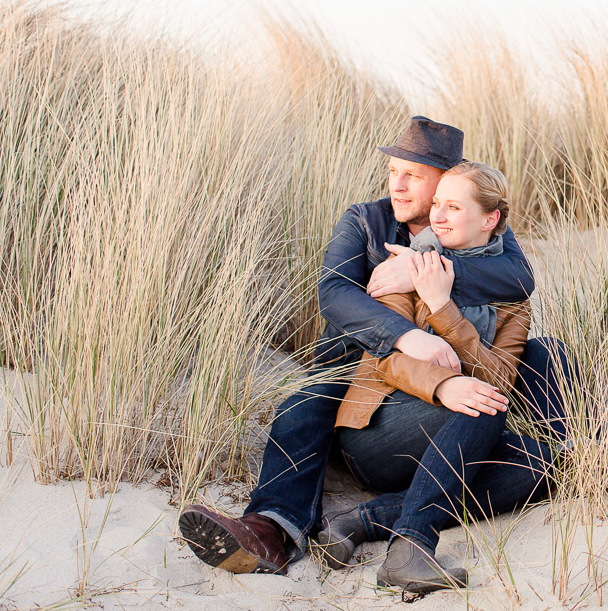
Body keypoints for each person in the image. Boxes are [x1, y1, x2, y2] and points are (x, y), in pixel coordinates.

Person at [178, 116, 576, 576]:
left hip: (456, 370)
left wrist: (425, 274)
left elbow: (518, 280)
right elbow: (334, 294)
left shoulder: (478, 232)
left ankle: (573, 457)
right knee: (304, 406)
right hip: (357, 363)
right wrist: (411, 337)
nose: (399, 187)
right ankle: (269, 528)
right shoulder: (367, 221)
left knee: (546, 360)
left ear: (448, 179)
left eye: (415, 176)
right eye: (394, 172)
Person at [311, 161, 554, 592]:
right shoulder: (404, 267)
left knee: (542, 462)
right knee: (487, 403)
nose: (437, 216)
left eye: (453, 207)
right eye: (437, 203)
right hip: (377, 428)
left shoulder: (511, 294)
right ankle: (410, 547)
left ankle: (364, 520)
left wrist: (443, 307)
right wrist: (444, 384)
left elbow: (501, 371)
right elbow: (384, 357)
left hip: (451, 432)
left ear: (490, 219)